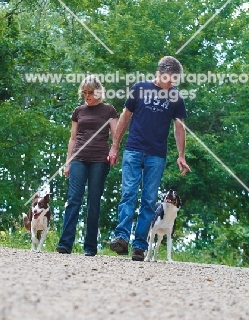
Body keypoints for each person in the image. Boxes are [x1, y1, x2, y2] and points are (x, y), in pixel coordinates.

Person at [108, 56, 190, 261]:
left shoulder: (176, 97)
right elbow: (125, 117)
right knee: (128, 194)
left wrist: (181, 155)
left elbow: (179, 128)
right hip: (133, 150)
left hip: (157, 155)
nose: (172, 83)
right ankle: (121, 238)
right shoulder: (139, 88)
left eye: (175, 80)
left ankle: (140, 246)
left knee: (148, 200)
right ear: (159, 73)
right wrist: (115, 146)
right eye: (170, 79)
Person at [56, 75, 118, 256]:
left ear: (98, 91)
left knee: (93, 202)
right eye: (84, 93)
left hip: (100, 159)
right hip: (78, 159)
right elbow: (73, 138)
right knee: (73, 199)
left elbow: (115, 135)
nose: (87, 96)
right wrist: (68, 162)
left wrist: (115, 150)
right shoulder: (78, 111)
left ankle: (90, 247)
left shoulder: (109, 110)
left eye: (90, 92)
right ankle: (65, 244)